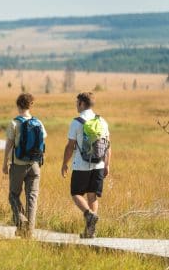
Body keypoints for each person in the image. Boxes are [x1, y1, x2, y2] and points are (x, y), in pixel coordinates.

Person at [61, 92, 111, 238]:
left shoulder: (77, 122)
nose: (76, 105)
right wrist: (107, 165)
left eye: (77, 102)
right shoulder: (102, 121)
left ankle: (88, 214)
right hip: (99, 164)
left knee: (76, 193)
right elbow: (108, 145)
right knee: (92, 196)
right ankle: (90, 232)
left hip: (81, 165)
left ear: (82, 103)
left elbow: (70, 146)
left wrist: (64, 163)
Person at [2, 93, 47, 238]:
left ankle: (21, 221)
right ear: (30, 105)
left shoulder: (14, 123)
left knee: (13, 195)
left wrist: (5, 163)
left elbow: (9, 144)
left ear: (18, 105)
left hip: (18, 164)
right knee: (32, 197)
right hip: (35, 165)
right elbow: (42, 142)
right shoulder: (38, 123)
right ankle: (30, 231)